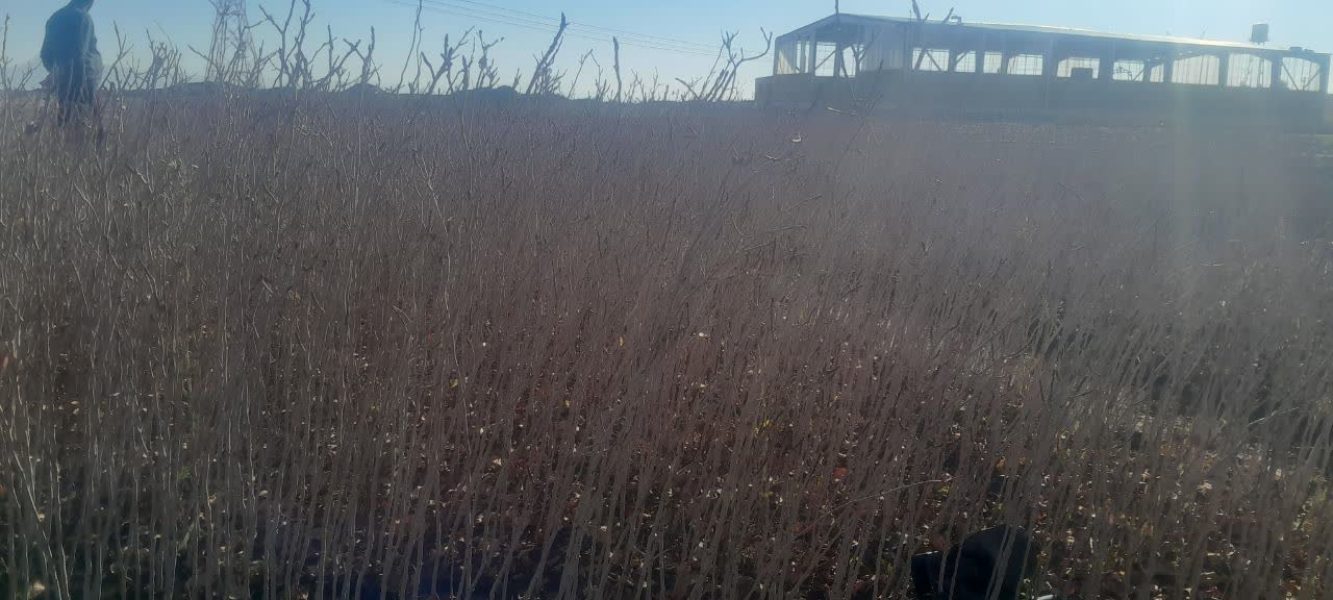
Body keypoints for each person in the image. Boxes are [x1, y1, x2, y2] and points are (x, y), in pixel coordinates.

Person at [40, 0, 102, 125]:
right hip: (84, 89)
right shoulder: (83, 18)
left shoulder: (55, 18)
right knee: (81, 130)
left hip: (62, 88)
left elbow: (45, 55)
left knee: (63, 126)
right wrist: (81, 93)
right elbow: (79, 57)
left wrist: (58, 73)